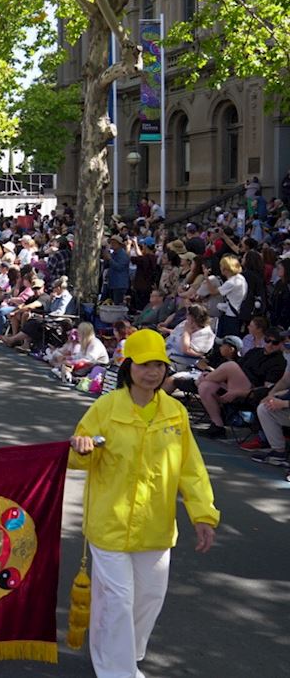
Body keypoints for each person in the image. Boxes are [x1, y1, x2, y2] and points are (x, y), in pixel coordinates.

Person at [69, 329, 219, 678]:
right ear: (128, 366)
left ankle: (121, 654)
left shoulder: (175, 412)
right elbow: (78, 456)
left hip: (155, 525)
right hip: (110, 522)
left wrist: (203, 515)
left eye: (159, 365)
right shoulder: (106, 408)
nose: (152, 373)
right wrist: (82, 450)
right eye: (144, 365)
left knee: (149, 598)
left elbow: (191, 469)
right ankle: (117, 670)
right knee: (118, 599)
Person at [213, 254, 247, 337]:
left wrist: (206, 278)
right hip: (237, 312)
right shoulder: (241, 278)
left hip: (231, 315)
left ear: (226, 269)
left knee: (228, 338)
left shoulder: (231, 282)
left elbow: (214, 292)